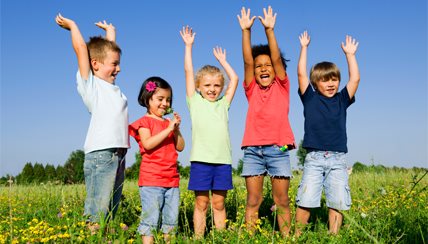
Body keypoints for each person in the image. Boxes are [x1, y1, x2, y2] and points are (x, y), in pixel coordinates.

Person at [55, 14, 129, 227]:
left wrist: (111, 33)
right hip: (101, 154)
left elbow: (108, 52)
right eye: (114, 64)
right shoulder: (91, 86)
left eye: (119, 64)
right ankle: (92, 235)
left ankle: (108, 236)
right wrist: (73, 26)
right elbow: (81, 49)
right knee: (97, 209)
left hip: (118, 153)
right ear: (94, 64)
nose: (119, 68)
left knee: (111, 208)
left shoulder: (112, 88)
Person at [237, 6, 296, 236]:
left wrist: (270, 30)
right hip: (252, 150)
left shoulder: (282, 86)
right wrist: (246, 32)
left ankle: (286, 239)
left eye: (267, 65)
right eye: (259, 65)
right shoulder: (251, 88)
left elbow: (277, 60)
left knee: (281, 199)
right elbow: (247, 63)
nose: (263, 68)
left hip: (278, 149)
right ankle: (250, 238)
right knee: (253, 199)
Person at [295, 31, 360, 236]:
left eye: (334, 79)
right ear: (316, 83)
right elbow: (301, 74)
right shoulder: (310, 98)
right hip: (314, 158)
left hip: (338, 159)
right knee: (306, 199)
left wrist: (350, 55)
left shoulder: (342, 100)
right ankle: (297, 237)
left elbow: (355, 79)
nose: (331, 83)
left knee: (337, 200)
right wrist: (304, 48)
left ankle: (333, 237)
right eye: (325, 80)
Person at [180, 25, 239, 238]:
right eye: (207, 85)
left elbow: (235, 80)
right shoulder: (194, 102)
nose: (212, 89)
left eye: (216, 85)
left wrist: (223, 62)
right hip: (201, 161)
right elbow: (188, 71)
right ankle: (198, 237)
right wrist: (189, 46)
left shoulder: (224, 104)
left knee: (219, 202)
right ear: (198, 86)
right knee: (201, 202)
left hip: (222, 161)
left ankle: (221, 238)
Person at [129, 77, 185, 244]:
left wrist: (175, 131)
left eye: (168, 100)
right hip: (151, 180)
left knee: (171, 221)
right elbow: (147, 144)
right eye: (160, 99)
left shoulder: (168, 123)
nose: (165, 103)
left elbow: (180, 147)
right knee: (150, 220)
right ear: (148, 99)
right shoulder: (144, 122)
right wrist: (167, 128)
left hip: (172, 180)